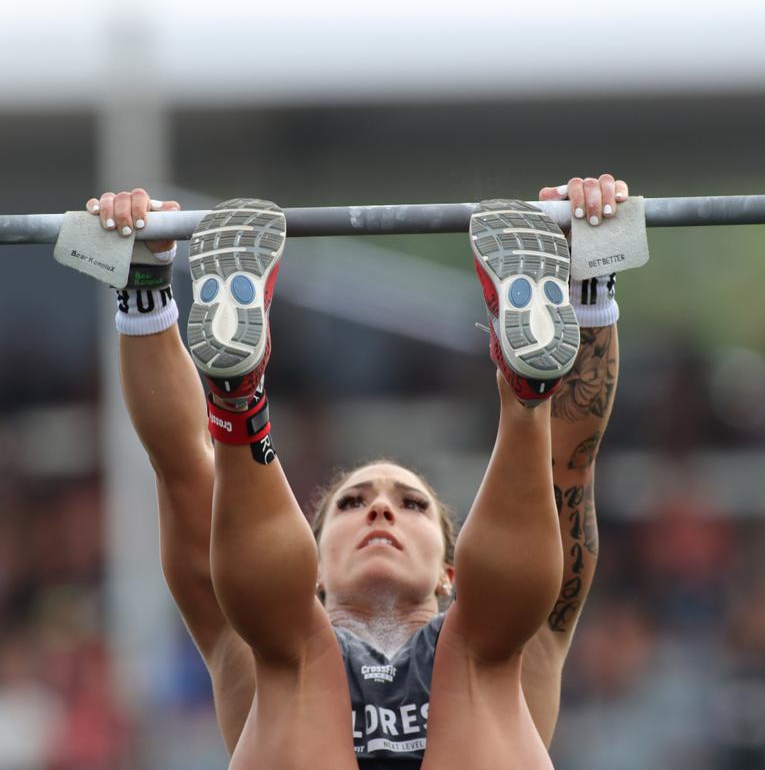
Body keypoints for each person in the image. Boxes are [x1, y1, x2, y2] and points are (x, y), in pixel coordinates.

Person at [86, 175, 624, 769]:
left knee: (490, 640)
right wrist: (142, 285)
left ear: (449, 573)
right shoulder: (249, 647)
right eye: (351, 502)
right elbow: (185, 468)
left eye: (412, 504)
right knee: (283, 641)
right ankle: (240, 400)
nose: (381, 508)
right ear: (313, 566)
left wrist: (592, 269)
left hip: (481, 664)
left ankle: (524, 397)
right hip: (288, 651)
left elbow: (567, 469)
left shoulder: (520, 644)